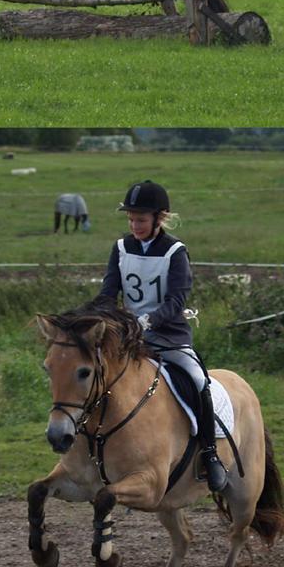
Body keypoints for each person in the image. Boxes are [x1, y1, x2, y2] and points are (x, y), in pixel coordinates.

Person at [96, 179, 227, 497]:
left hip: (169, 336)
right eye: (130, 219)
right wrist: (90, 317)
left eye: (140, 219)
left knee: (198, 380)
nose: (134, 225)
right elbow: (108, 293)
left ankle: (210, 454)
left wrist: (149, 321)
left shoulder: (174, 252)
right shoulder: (121, 248)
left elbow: (176, 301)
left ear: (159, 218)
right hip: (130, 338)